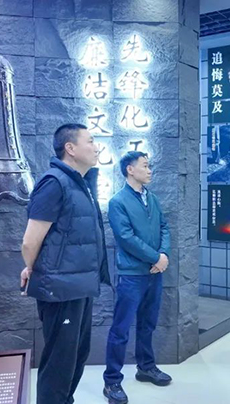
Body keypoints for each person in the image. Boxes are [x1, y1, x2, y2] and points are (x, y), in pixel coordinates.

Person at [20, 123, 111, 404]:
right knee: (60, 362)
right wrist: (32, 268)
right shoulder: (54, 182)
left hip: (79, 285)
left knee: (76, 355)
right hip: (60, 288)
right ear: (70, 148)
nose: (96, 147)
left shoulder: (80, 183)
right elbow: (30, 240)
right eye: (90, 141)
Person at [103, 151, 172, 404]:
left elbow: (164, 227)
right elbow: (126, 238)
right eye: (145, 166)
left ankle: (146, 367)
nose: (150, 170)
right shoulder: (118, 201)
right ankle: (112, 381)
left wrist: (163, 255)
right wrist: (156, 258)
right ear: (130, 170)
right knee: (120, 329)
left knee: (148, 324)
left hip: (154, 273)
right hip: (132, 275)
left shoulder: (151, 198)